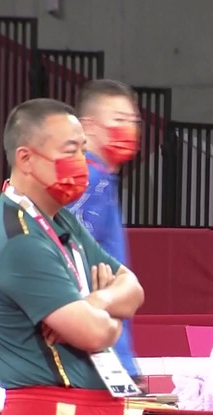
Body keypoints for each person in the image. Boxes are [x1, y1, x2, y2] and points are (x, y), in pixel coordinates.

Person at [0, 98, 145, 415]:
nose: (82, 161)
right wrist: (107, 317)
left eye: (83, 149)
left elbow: (132, 289)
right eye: (70, 151)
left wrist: (97, 302)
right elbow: (93, 334)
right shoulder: (20, 239)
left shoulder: (60, 219)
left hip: (90, 413)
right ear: (26, 158)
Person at [67, 79, 143, 383]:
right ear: (89, 127)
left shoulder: (100, 181)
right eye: (118, 120)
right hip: (97, 361)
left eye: (133, 121)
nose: (128, 129)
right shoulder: (87, 182)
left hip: (108, 355)